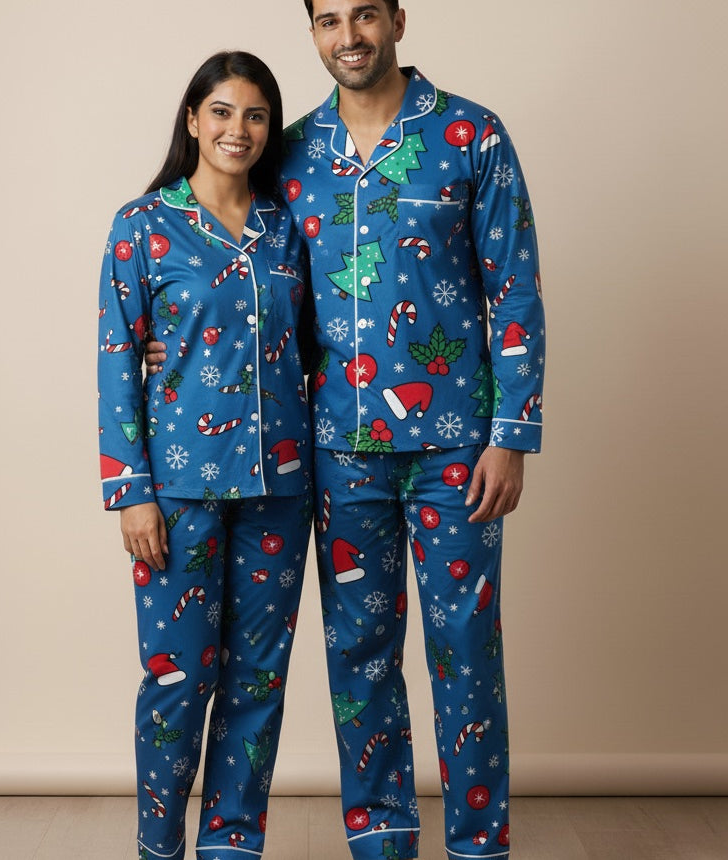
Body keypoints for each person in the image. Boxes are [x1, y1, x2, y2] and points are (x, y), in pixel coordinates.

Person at [146, 4, 545, 856]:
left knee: (465, 651)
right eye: (329, 19)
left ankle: (479, 846)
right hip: (334, 454)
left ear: (398, 18)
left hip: (459, 450)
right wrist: (165, 329)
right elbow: (231, 266)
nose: (349, 34)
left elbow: (514, 287)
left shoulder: (473, 135)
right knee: (360, 660)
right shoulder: (287, 151)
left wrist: (513, 430)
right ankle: (383, 842)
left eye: (365, 13)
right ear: (315, 32)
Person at [98, 51, 313, 860]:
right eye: (221, 111)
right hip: (177, 493)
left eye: (256, 115)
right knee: (176, 685)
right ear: (193, 120)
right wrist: (130, 492)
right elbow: (117, 360)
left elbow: (319, 353)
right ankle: (160, 847)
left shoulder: (286, 227)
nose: (238, 129)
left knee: (258, 685)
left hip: (281, 490)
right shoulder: (142, 225)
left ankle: (232, 848)